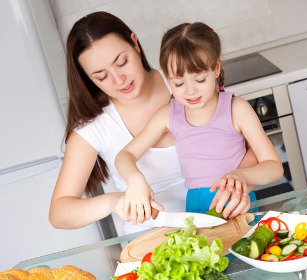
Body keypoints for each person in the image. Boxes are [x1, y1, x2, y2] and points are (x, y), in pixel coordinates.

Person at [49, 12, 257, 236]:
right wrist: (116, 201)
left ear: (135, 44)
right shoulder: (94, 128)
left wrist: (238, 183)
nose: (119, 80)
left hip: (224, 222)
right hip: (152, 243)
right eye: (101, 76)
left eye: (122, 62)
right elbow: (59, 213)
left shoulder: (183, 81)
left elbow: (250, 146)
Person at [115, 22, 284, 225]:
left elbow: (274, 167)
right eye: (178, 83)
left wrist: (242, 175)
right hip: (195, 207)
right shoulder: (168, 115)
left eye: (200, 80)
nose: (190, 91)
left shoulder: (236, 109)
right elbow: (124, 156)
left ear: (216, 68)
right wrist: (135, 180)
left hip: (237, 204)